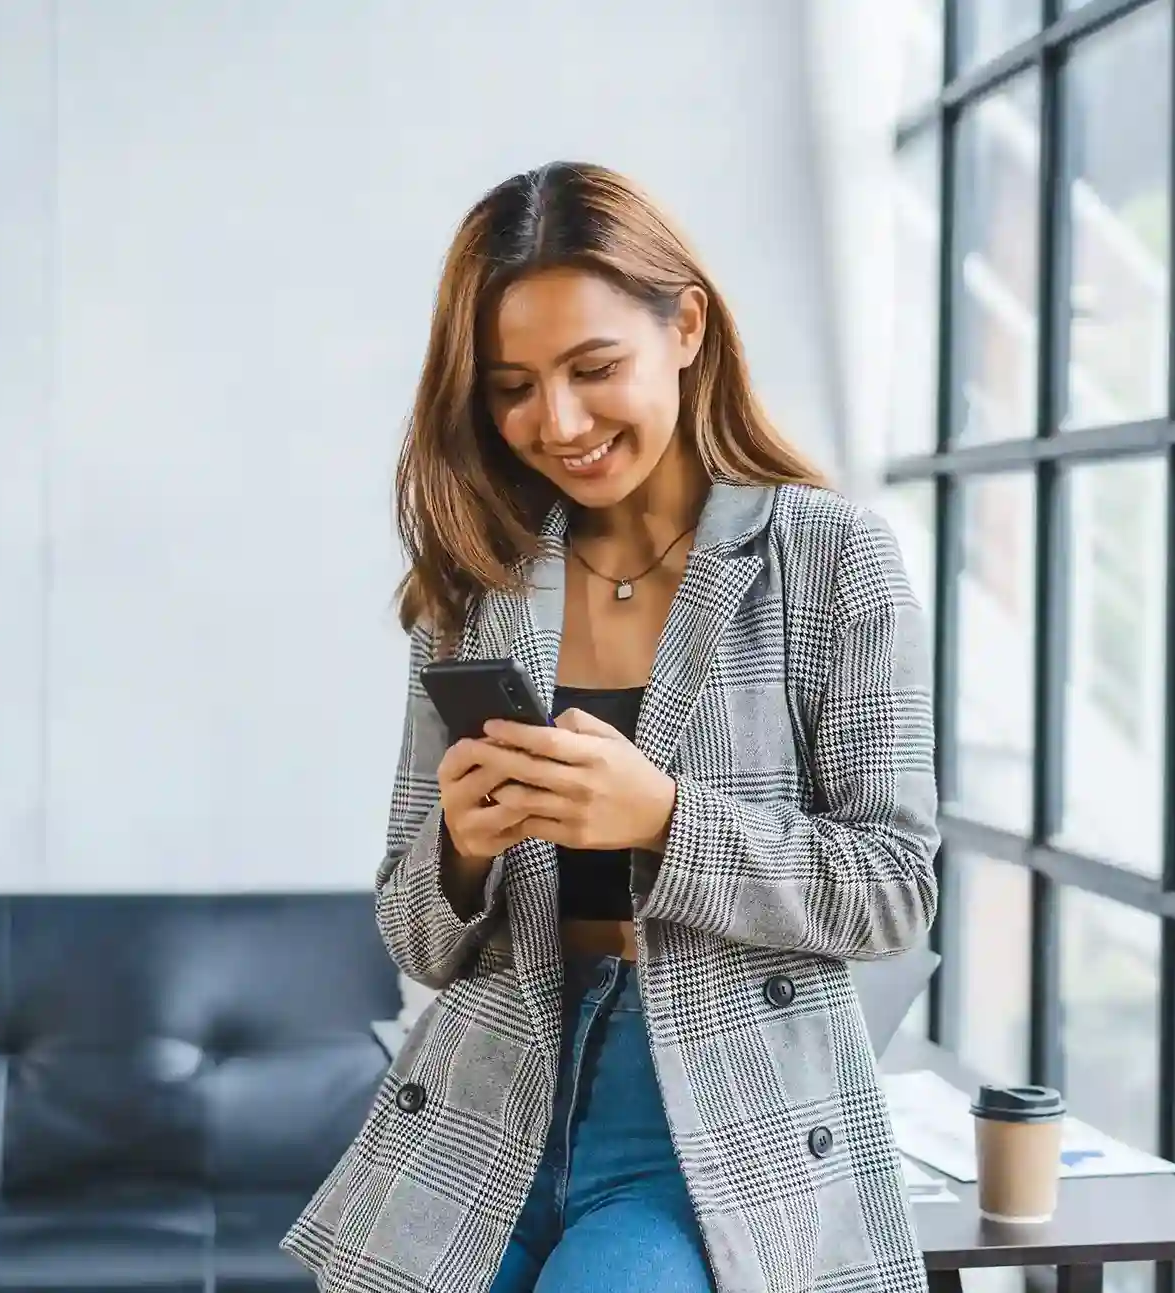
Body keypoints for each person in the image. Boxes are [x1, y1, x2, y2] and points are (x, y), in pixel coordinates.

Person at [281, 161, 940, 1293]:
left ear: (685, 328)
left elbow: (892, 888)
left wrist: (665, 822)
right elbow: (413, 935)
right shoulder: (474, 587)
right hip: (495, 1095)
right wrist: (461, 853)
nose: (560, 423)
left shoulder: (831, 561)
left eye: (595, 369)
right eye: (513, 388)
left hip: (708, 1123)